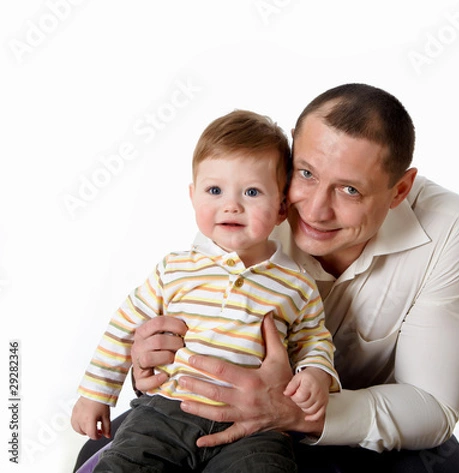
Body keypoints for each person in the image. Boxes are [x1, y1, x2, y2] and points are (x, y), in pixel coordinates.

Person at [74, 83, 459, 473]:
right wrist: (149, 365)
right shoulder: (247, 200)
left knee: (443, 466)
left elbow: (432, 405)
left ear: (399, 190)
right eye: (305, 173)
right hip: (212, 408)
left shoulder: (449, 227)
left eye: (349, 191)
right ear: (293, 149)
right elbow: (187, 317)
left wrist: (296, 411)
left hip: (350, 427)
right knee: (104, 452)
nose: (315, 210)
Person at [71, 109, 341, 473]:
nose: (231, 204)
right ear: (193, 196)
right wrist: (95, 394)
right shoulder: (175, 268)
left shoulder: (296, 283)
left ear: (280, 208)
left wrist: (316, 375)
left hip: (255, 425)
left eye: (252, 192)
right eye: (214, 190)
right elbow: (125, 327)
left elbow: (314, 340)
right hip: (168, 411)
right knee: (126, 465)